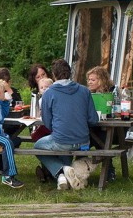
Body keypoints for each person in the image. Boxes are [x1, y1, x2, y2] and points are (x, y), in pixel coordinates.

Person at [33, 59, 98, 189]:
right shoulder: (85, 91)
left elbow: (47, 122)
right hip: (84, 141)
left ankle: (60, 172)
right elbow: (93, 119)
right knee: (62, 146)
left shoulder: (49, 93)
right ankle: (64, 177)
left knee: (37, 147)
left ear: (54, 75)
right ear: (70, 73)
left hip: (61, 140)